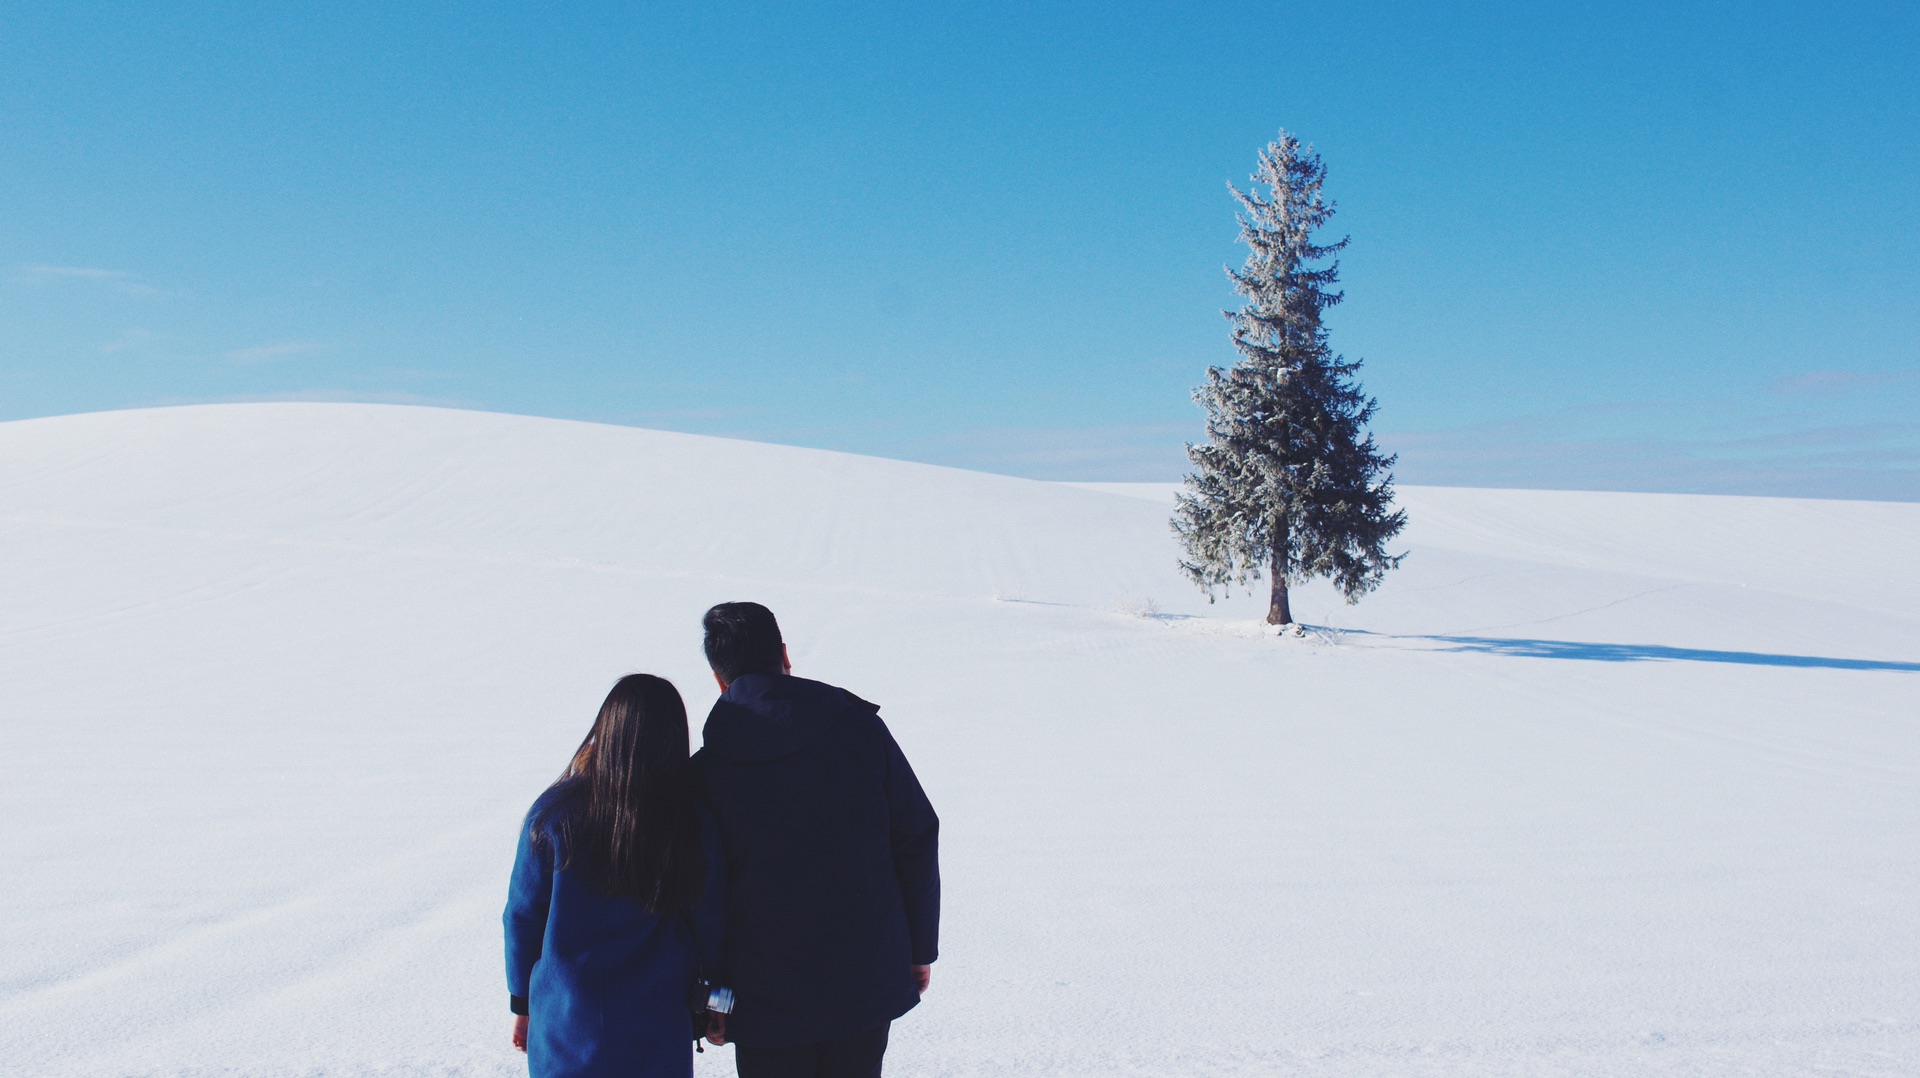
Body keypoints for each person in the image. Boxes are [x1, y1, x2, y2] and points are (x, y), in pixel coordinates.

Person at [692, 602, 940, 1078]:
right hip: (864, 981)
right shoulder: (862, 730)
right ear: (785, 654)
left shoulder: (705, 772)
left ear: (719, 678)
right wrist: (917, 948)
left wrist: (713, 995)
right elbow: (916, 836)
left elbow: (703, 894)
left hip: (763, 999)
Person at [504, 674, 728, 1078]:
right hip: (657, 1023)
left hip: (566, 1025)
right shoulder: (690, 819)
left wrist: (522, 1003)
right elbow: (709, 918)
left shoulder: (554, 814)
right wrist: (713, 995)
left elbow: (522, 917)